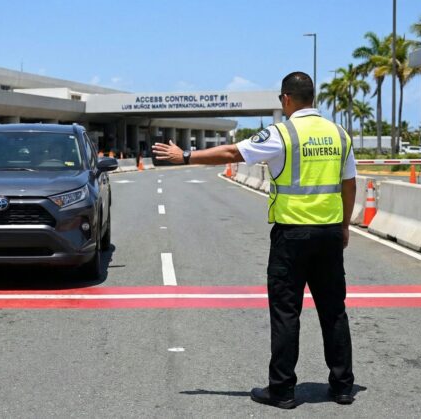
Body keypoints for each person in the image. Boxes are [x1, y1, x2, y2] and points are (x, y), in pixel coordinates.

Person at [152, 71, 357, 409]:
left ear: (286, 99)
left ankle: (283, 390)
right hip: (331, 233)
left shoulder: (283, 133)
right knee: (334, 311)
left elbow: (232, 152)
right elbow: (349, 185)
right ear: (313, 98)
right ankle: (343, 387)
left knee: (286, 312)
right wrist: (345, 225)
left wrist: (186, 157)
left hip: (292, 235)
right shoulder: (339, 134)